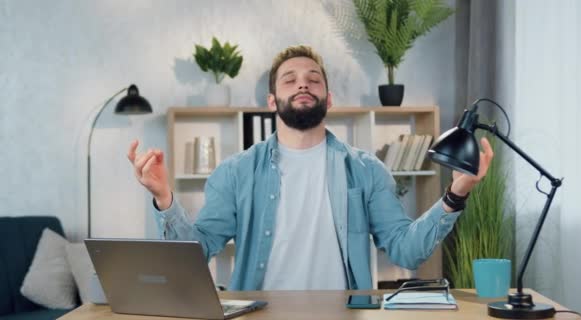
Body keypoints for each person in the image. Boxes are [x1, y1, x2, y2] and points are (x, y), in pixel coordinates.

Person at [127, 45, 493, 291]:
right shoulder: (236, 172)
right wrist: (164, 198)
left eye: (314, 78)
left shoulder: (366, 170)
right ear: (272, 100)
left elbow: (404, 250)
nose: (303, 82)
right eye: (290, 79)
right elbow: (199, 251)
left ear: (329, 98)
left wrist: (454, 194)